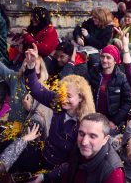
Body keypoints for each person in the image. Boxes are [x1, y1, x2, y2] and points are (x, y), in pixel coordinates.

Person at [19, 43, 95, 182]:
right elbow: (35, 89)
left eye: (69, 96)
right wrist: (30, 67)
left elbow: (73, 163)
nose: (63, 99)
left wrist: (46, 177)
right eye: (62, 93)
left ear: (81, 98)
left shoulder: (84, 125)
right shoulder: (57, 101)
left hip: (60, 174)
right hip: (44, 159)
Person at [61, 113, 125, 183]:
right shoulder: (78, 147)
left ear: (105, 139)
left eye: (92, 136)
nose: (84, 142)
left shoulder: (113, 173)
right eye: (81, 134)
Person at [87, 44, 131, 131]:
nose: (104, 60)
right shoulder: (93, 72)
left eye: (108, 57)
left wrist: (115, 121)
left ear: (115, 60)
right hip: (93, 116)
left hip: (110, 120)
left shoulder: (121, 78)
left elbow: (128, 101)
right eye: (102, 56)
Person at [0, 54, 49, 122]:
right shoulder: (15, 78)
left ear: (40, 70)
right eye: (27, 61)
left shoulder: (44, 89)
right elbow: (1, 69)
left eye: (33, 63)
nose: (29, 65)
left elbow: (44, 117)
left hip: (27, 129)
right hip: (11, 124)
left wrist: (30, 109)